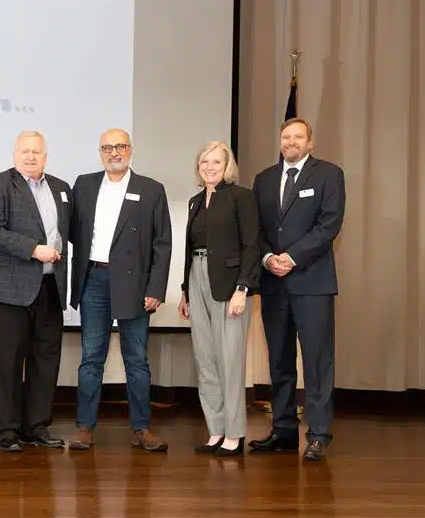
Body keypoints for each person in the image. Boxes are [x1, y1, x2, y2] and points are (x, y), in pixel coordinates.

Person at [68, 128, 172, 453]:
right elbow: (73, 232)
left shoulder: (151, 189)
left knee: (137, 359)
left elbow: (162, 244)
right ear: (100, 152)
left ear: (131, 150)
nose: (115, 153)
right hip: (94, 281)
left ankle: (142, 429)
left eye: (121, 146)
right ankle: (85, 427)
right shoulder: (84, 184)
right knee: (91, 358)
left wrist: (156, 288)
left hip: (135, 285)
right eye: (108, 147)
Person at [249, 118, 346, 461]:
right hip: (273, 283)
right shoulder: (263, 179)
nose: (291, 142)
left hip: (312, 282)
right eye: (286, 137)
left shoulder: (329, 174)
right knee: (279, 360)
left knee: (317, 361)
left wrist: (292, 257)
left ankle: (318, 433)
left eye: (298, 137)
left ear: (310, 142)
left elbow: (329, 224)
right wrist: (266, 258)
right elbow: (256, 228)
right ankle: (285, 429)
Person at [0, 130, 72, 452]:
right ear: (15, 154)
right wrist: (34, 249)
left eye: (37, 152)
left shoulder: (61, 188)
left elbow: (71, 234)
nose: (31, 157)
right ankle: (6, 430)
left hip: (50, 287)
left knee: (46, 360)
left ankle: (37, 426)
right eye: (25, 151)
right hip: (7, 290)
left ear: (46, 155)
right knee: (7, 361)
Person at [177, 141, 261, 456]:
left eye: (216, 162)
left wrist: (243, 288)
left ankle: (235, 433)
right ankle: (216, 429)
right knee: (206, 360)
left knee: (230, 360)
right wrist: (186, 290)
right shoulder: (195, 201)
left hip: (229, 286)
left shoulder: (241, 197)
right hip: (197, 281)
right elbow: (191, 247)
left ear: (227, 166)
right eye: (204, 162)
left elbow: (252, 245)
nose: (210, 167)